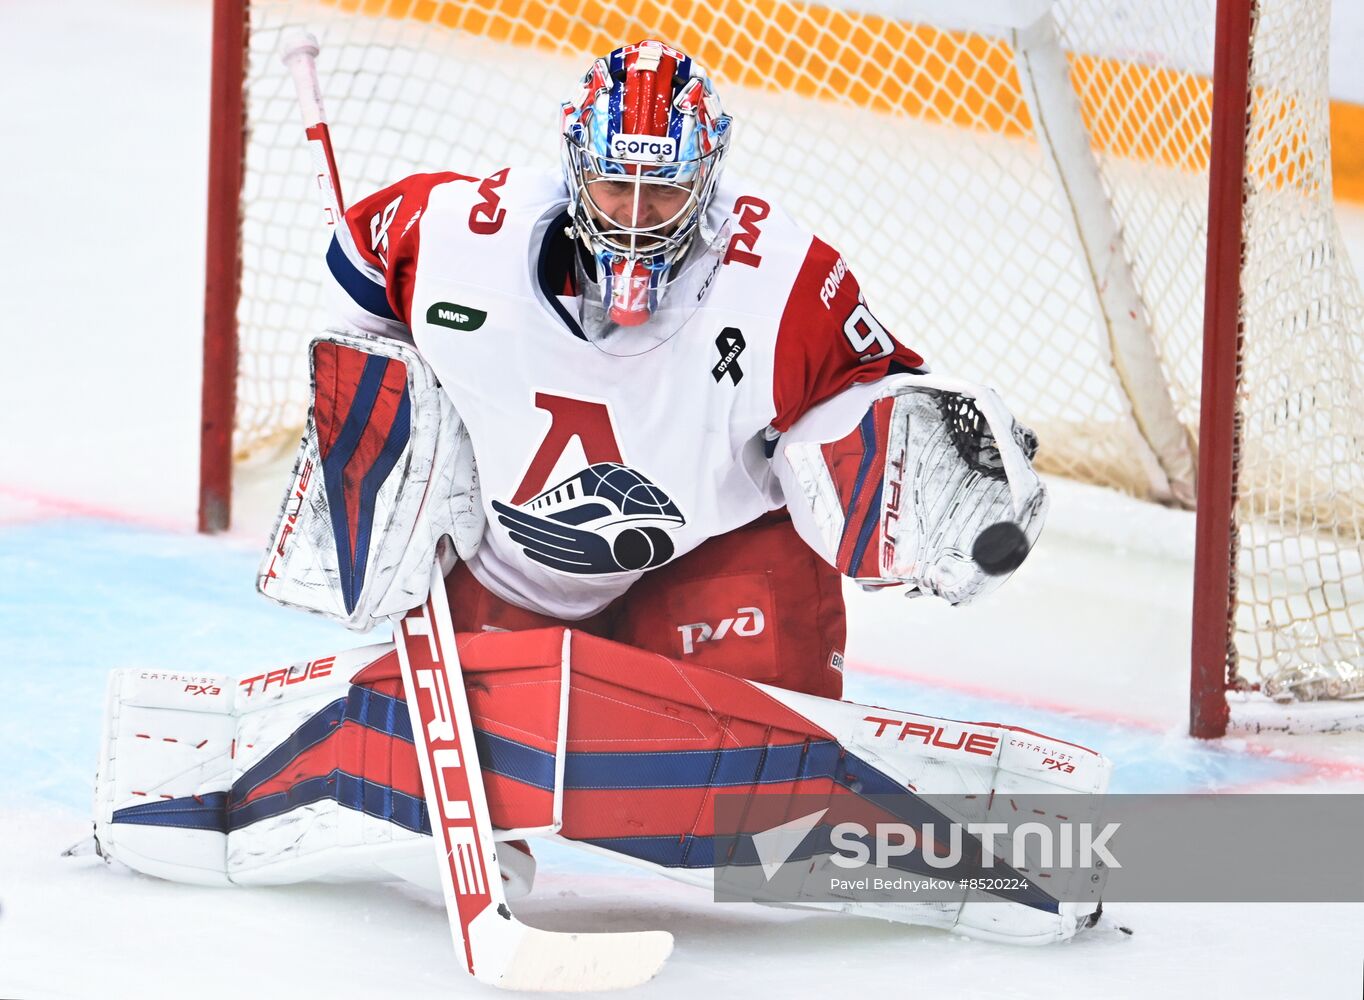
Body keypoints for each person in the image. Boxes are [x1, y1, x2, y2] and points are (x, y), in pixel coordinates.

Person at [85, 39, 1101, 951]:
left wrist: (940, 488)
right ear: (575, 169)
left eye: (663, 193)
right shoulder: (459, 233)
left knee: (763, 814)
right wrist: (383, 423)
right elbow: (356, 272)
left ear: (707, 180)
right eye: (616, 187)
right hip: (504, 566)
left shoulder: (783, 280)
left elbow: (872, 412)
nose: (635, 217)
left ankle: (957, 837)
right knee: (468, 817)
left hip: (708, 561)